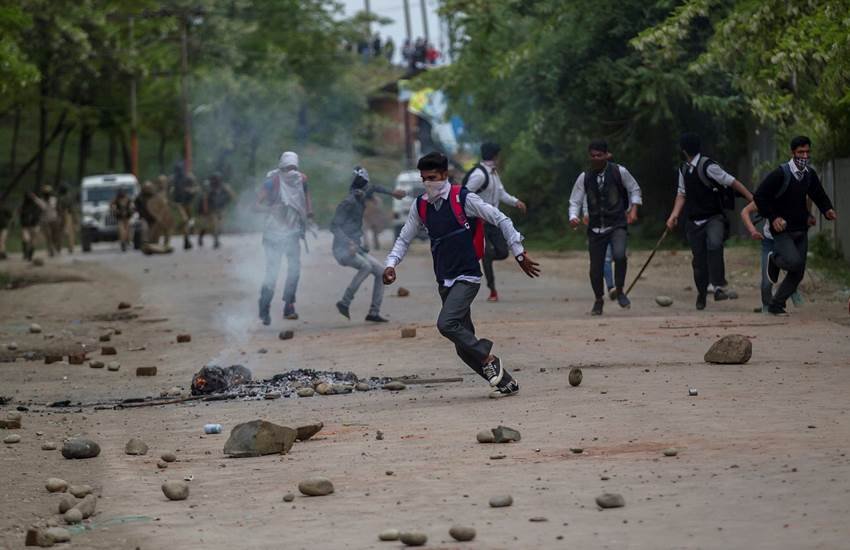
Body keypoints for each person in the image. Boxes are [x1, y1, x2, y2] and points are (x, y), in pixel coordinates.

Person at [383, 152, 541, 398]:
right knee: (461, 347)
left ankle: (489, 356)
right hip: (443, 278)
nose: (428, 184)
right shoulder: (421, 206)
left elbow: (501, 218)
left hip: (467, 276)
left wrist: (519, 252)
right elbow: (403, 238)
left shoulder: (463, 198)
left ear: (445, 175)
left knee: (446, 324)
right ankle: (506, 383)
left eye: (432, 178)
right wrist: (391, 264)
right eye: (424, 179)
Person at [665, 133, 753, 310]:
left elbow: (732, 182)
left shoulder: (708, 166)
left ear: (683, 150)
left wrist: (752, 198)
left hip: (714, 217)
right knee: (698, 261)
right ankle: (702, 293)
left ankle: (718, 285)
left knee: (714, 244)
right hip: (694, 221)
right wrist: (674, 215)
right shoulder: (684, 169)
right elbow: (682, 194)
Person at [754, 135, 837, 315]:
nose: (805, 156)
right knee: (793, 262)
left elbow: (819, 195)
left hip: (801, 229)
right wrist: (773, 217)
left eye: (807, 152)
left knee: (798, 273)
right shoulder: (780, 174)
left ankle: (777, 304)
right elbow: (760, 196)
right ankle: (775, 260)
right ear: (792, 153)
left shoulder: (809, 175)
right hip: (782, 230)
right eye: (801, 152)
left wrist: (827, 209)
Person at [569, 140, 642, 315]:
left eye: (599, 155)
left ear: (607, 155)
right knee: (595, 268)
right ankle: (598, 299)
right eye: (592, 156)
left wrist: (634, 209)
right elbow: (575, 200)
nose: (596, 159)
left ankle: (620, 290)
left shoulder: (619, 172)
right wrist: (573, 216)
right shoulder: (584, 177)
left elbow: (635, 189)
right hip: (595, 228)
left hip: (617, 223)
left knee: (619, 255)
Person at [331, 166, 405, 323]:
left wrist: (393, 193)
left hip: (356, 248)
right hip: (342, 249)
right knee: (366, 266)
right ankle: (345, 302)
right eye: (363, 188)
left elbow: (376, 187)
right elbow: (334, 226)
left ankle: (373, 312)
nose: (366, 192)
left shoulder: (361, 197)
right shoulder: (348, 202)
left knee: (381, 272)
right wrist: (348, 242)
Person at [463, 142, 527, 302]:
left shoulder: (493, 174)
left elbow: (501, 194)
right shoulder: (479, 175)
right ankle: (492, 290)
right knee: (486, 253)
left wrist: (515, 201)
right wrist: (475, 214)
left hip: (493, 221)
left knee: (503, 252)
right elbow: (463, 195)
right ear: (495, 156)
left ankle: (484, 256)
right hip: (479, 222)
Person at [255, 151, 312, 324]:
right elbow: (255, 205)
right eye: (288, 168)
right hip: (273, 234)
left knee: (294, 270)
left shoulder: (301, 180)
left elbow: (306, 198)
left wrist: (308, 212)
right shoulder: (272, 182)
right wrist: (271, 209)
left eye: (294, 168)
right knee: (272, 272)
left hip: (292, 234)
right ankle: (264, 308)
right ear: (281, 168)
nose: (291, 172)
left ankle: (289, 306)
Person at [740, 200, 808, 312]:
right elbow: (745, 211)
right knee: (767, 283)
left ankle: (788, 290)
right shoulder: (768, 196)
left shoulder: (797, 193)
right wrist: (753, 231)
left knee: (795, 267)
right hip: (770, 242)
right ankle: (767, 306)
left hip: (789, 240)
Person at [198, 173, 234, 249]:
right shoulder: (209, 188)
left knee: (220, 226)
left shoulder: (223, 187)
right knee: (211, 226)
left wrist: (228, 194)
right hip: (212, 209)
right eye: (215, 179)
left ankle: (216, 239)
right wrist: (206, 210)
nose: (216, 181)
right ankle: (213, 240)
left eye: (217, 179)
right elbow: (205, 199)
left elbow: (232, 196)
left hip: (221, 209)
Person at [171, 162, 199, 250]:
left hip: (187, 202)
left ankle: (187, 237)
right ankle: (186, 239)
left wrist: (191, 190)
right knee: (185, 220)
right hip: (178, 203)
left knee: (189, 221)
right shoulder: (173, 179)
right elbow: (168, 190)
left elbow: (196, 188)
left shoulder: (189, 177)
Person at [31, 185, 62, 257]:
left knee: (55, 236)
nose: (47, 194)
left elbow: (58, 208)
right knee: (48, 236)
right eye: (46, 193)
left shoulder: (54, 200)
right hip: (45, 221)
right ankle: (50, 250)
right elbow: (35, 200)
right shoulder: (40, 201)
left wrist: (59, 217)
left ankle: (55, 248)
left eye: (48, 193)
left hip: (54, 220)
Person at [19, 192, 41, 261]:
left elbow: (43, 208)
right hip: (27, 226)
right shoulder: (23, 206)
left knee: (31, 240)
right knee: (27, 239)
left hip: (33, 225)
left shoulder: (35, 205)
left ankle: (29, 254)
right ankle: (26, 253)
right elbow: (21, 215)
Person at [110, 188, 134, 252]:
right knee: (121, 230)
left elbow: (132, 207)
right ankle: (123, 242)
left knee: (128, 230)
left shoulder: (128, 199)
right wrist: (115, 210)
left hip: (127, 218)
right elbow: (112, 207)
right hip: (120, 218)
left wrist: (130, 210)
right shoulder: (116, 200)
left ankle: (128, 241)